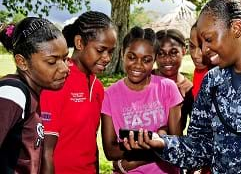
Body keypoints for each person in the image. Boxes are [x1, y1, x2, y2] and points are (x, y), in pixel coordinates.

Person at [123, 0, 241, 173]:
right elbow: (200, 147)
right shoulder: (212, 82)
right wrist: (162, 143)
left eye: (208, 39)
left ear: (236, 28)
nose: (204, 50)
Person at [40, 11, 117, 174]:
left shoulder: (97, 88)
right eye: (101, 50)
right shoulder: (58, 80)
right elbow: (45, 152)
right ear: (79, 43)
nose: (107, 58)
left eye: (110, 51)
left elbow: (90, 142)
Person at [101, 26, 183, 173]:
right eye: (132, 57)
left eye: (146, 60)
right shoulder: (110, 95)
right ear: (122, 54)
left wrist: (134, 160)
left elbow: (176, 143)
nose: (138, 65)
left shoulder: (167, 88)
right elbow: (110, 151)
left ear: (154, 60)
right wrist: (158, 144)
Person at [0, 17, 69, 173]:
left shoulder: (32, 94)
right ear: (22, 62)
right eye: (52, 62)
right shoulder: (12, 94)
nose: (65, 68)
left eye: (65, 59)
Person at [154, 29, 193, 131]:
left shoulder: (189, 89)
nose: (167, 59)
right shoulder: (145, 80)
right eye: (161, 53)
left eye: (173, 53)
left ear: (184, 51)